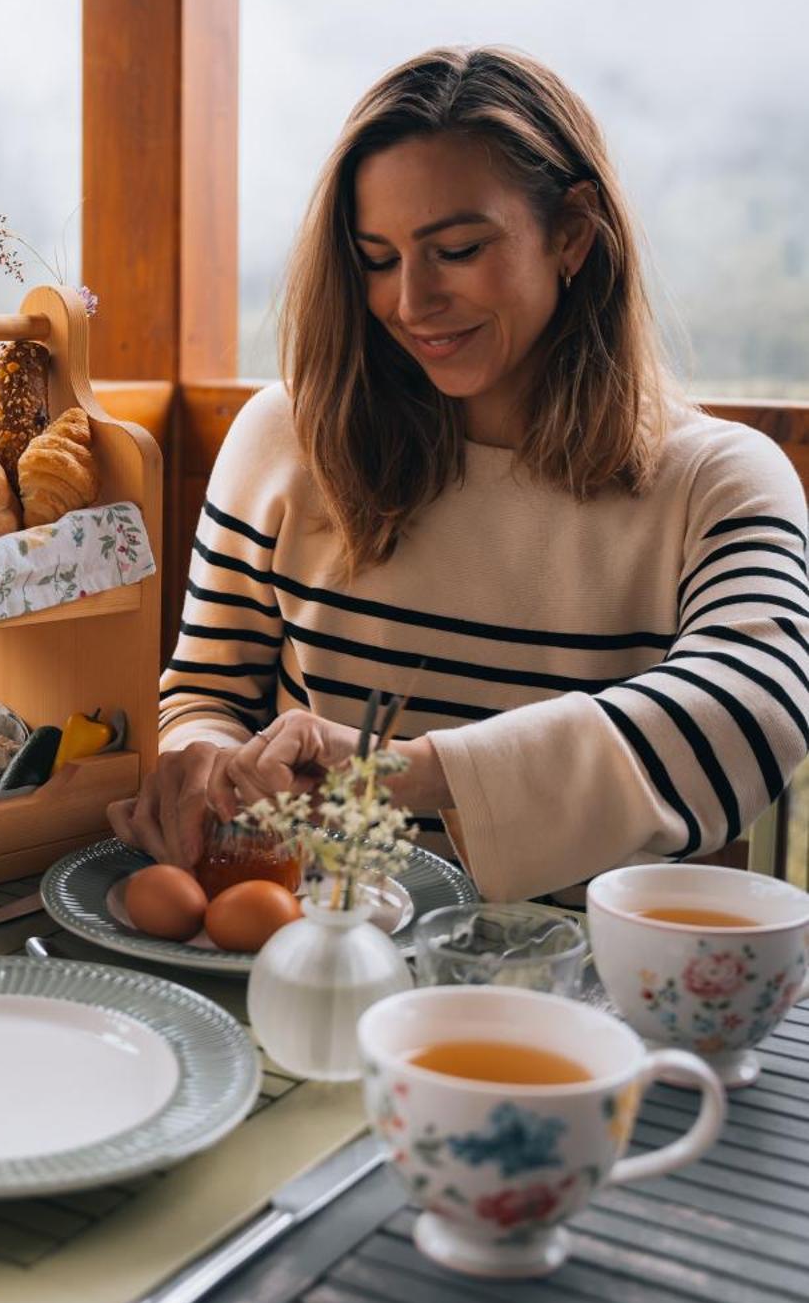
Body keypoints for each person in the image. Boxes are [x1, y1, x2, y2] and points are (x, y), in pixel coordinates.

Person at [108, 46, 809, 901]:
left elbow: (753, 709)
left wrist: (402, 773)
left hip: (566, 995)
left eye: (458, 249)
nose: (410, 302)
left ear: (573, 234)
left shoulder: (720, 480)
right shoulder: (283, 437)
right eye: (377, 258)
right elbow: (204, 691)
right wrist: (201, 763)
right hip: (315, 960)